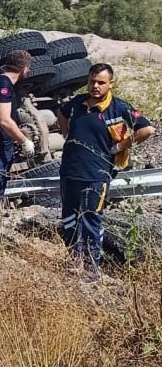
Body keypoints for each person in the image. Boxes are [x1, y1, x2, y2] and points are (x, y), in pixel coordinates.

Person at [57, 63, 155, 279]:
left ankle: (92, 267)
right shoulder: (77, 103)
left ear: (111, 83)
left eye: (101, 82)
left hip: (97, 174)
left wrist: (121, 146)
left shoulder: (118, 107)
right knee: (69, 219)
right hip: (69, 171)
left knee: (91, 218)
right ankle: (74, 261)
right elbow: (61, 114)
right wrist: (66, 133)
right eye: (92, 81)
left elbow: (147, 129)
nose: (95, 86)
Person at [0, 50, 34, 238]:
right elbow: (4, 120)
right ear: (25, 69)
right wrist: (24, 141)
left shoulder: (0, 83)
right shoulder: (3, 85)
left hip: (1, 147)